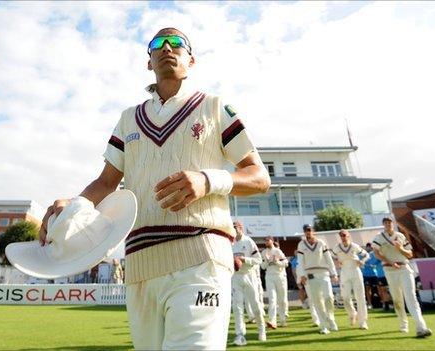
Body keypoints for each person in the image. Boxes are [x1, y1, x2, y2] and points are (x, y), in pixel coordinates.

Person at [39, 27, 270, 350]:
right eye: (157, 44)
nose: (166, 48)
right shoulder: (129, 119)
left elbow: (259, 176)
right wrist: (73, 205)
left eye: (177, 43)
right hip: (140, 264)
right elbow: (106, 182)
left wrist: (208, 180)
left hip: (200, 255)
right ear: (149, 62)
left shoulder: (215, 107)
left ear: (191, 60)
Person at [372, 217, 432, 338]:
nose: (388, 225)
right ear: (383, 224)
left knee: (411, 297)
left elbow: (410, 254)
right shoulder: (378, 237)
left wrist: (401, 249)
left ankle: (421, 327)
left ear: (393, 223)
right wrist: (390, 261)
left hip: (404, 267)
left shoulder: (400, 236)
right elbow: (376, 254)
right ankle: (403, 323)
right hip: (389, 270)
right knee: (397, 299)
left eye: (390, 222)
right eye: (386, 223)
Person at [296, 224, 338, 335]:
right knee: (317, 301)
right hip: (310, 275)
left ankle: (331, 319)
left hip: (324, 273)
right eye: (306, 230)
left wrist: (334, 273)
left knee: (329, 297)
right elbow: (300, 261)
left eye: (309, 230)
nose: (308, 232)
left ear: (313, 231)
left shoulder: (321, 243)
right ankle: (324, 326)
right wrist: (302, 275)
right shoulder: (301, 244)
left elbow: (328, 258)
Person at [231, 221, 267, 346]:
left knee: (255, 305)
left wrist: (244, 259)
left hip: (249, 275)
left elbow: (258, 260)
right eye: (232, 228)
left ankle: (261, 330)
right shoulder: (229, 242)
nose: (234, 230)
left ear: (241, 228)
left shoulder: (248, 241)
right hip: (236, 277)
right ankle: (240, 334)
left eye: (235, 228)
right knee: (237, 307)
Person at [332, 229, 369, 329]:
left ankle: (363, 322)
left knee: (360, 297)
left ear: (348, 235)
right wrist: (336, 262)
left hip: (356, 271)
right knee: (345, 296)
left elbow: (366, 254)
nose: (343, 237)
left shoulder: (354, 246)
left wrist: (362, 261)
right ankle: (352, 313)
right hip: (344, 272)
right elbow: (332, 256)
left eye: (345, 235)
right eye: (341, 236)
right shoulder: (337, 248)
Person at [261, 236, 289, 328]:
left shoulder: (277, 251)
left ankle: (283, 320)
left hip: (280, 276)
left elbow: (286, 263)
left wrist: (277, 262)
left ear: (272, 241)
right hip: (269, 276)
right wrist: (267, 261)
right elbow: (263, 267)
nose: (266, 242)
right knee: (272, 299)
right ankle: (272, 321)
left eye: (268, 241)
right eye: (265, 241)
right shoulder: (264, 252)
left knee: (282, 299)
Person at [362, 243, 378, 309]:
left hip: (374, 274)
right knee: (367, 289)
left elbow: (377, 262)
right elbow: (361, 263)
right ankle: (369, 303)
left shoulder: (374, 254)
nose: (369, 248)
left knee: (378, 289)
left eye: (370, 247)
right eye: (368, 247)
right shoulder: (362, 254)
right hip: (365, 274)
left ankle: (381, 303)